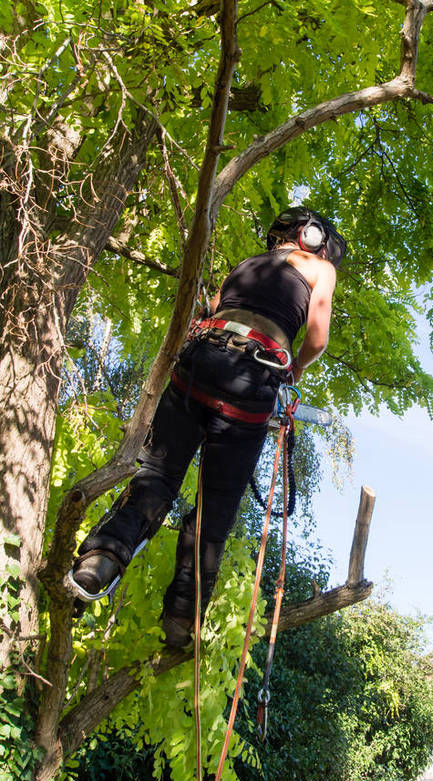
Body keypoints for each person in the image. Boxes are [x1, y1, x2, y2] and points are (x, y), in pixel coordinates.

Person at [70, 207, 346, 647]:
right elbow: (316, 339)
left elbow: (212, 311)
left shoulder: (246, 266)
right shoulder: (321, 268)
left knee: (157, 476)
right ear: (313, 238)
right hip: (250, 382)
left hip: (197, 365)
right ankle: (183, 615)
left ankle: (100, 559)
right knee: (216, 504)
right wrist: (290, 373)